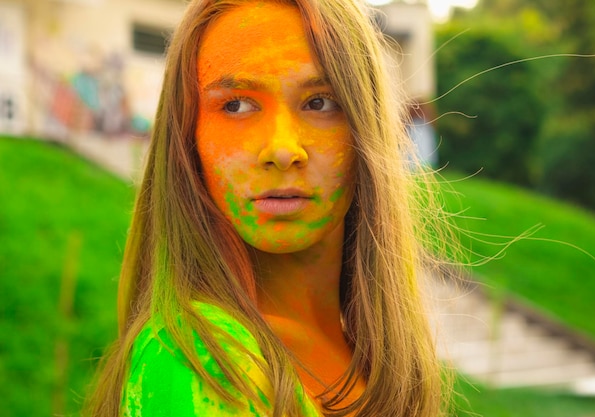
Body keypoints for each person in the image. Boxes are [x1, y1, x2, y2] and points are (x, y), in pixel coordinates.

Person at [86, 0, 453, 415]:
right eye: (237, 105)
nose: (282, 149)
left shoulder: (377, 357)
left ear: (365, 131)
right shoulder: (199, 361)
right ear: (188, 140)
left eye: (320, 103)